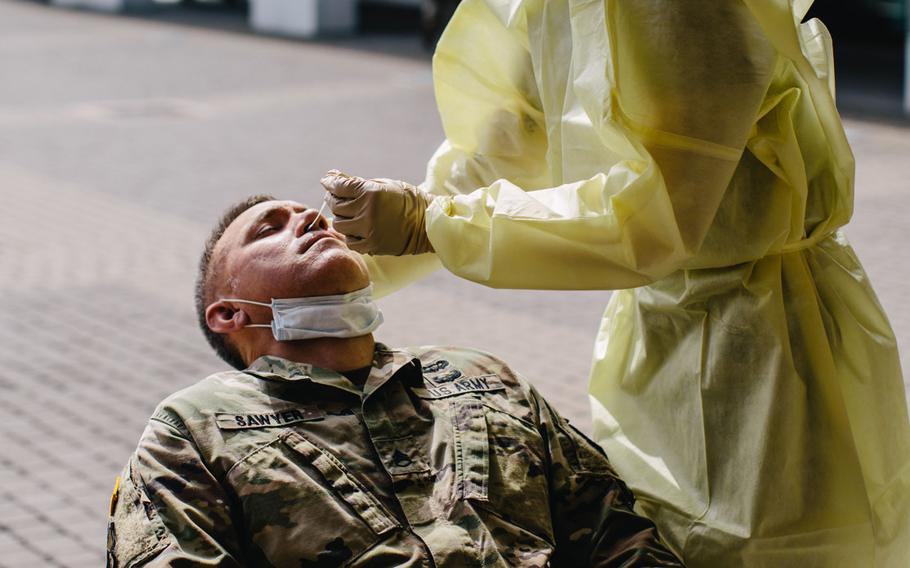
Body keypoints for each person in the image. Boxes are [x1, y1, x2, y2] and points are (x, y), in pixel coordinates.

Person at [318, 1, 910, 566]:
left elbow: (662, 211)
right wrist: (356, 264)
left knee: (763, 541)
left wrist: (428, 222)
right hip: (661, 334)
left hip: (766, 342)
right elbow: (509, 142)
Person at [105, 195, 684, 567]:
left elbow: (617, 533)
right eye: (269, 230)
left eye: (308, 212)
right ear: (230, 313)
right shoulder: (192, 429)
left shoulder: (480, 375)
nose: (310, 218)